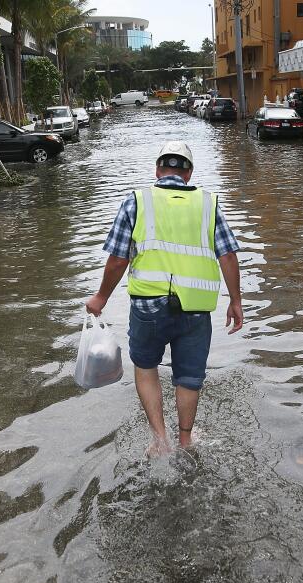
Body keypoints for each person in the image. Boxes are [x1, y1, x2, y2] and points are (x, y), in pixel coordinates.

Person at [86, 141, 243, 455]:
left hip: (148, 307)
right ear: (189, 173)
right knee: (189, 376)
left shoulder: (136, 201)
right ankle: (186, 440)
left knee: (146, 367)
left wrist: (101, 297)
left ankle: (160, 440)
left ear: (158, 169)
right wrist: (235, 301)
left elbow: (118, 259)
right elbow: (227, 256)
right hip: (195, 309)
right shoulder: (209, 204)